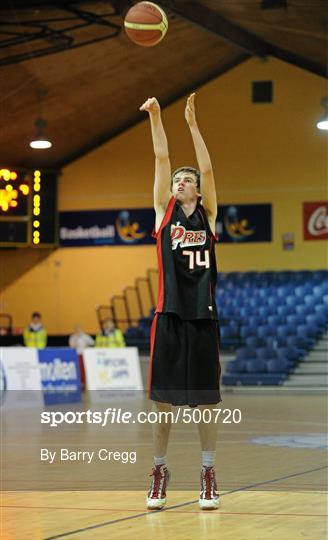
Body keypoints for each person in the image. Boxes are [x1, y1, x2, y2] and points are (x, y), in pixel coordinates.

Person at [140, 93, 221, 511]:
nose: (180, 181)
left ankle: (208, 472)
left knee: (207, 399)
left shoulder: (210, 215)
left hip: (203, 317)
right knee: (163, 401)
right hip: (169, 316)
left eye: (186, 180)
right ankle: (159, 470)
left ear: (198, 188)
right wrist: (157, 117)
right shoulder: (163, 212)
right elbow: (160, 158)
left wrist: (192, 124)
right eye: (177, 180)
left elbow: (206, 167)